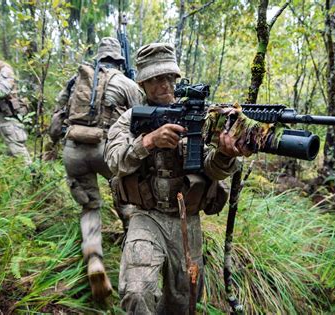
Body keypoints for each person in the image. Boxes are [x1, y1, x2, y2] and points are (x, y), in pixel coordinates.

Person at [104, 43, 252, 314]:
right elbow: (113, 161)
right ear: (143, 83)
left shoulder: (202, 118)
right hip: (147, 216)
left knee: (185, 300)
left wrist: (225, 155)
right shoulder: (130, 120)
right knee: (137, 291)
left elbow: (212, 169)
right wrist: (147, 141)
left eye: (169, 78)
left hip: (187, 221)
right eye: (155, 79)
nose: (164, 85)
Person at [53, 37, 144, 301]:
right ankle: (134, 255)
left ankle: (94, 258)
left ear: (98, 58)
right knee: (128, 201)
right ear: (119, 60)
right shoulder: (125, 83)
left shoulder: (76, 81)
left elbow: (58, 113)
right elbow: (142, 117)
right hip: (106, 149)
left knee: (90, 207)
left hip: (73, 148)